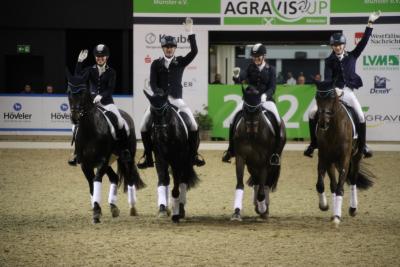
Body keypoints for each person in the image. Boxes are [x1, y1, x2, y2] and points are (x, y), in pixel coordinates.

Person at [304, 11, 381, 159]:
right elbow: (327, 78)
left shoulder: (352, 55)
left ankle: (363, 145)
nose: (337, 47)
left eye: (339, 45)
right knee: (312, 112)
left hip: (348, 92)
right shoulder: (328, 61)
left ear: (344, 45)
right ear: (332, 46)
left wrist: (370, 23)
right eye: (335, 45)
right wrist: (334, 89)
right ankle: (313, 144)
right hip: (333, 91)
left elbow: (364, 41)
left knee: (360, 115)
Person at [137, 17, 205, 169]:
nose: (169, 49)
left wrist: (190, 33)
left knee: (193, 125)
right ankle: (147, 156)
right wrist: (158, 93)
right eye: (166, 47)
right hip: (159, 102)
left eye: (171, 47)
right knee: (143, 126)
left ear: (175, 48)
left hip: (176, 100)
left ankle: (194, 154)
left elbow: (194, 51)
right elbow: (153, 83)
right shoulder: (156, 63)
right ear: (163, 48)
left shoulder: (180, 61)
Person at [68, 44, 131, 165]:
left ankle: (124, 150)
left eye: (102, 56)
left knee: (120, 122)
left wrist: (101, 95)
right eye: (97, 56)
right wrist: (79, 62)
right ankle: (77, 152)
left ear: (106, 57)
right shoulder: (89, 70)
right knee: (76, 124)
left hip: (107, 103)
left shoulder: (112, 72)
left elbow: (111, 88)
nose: (99, 58)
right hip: (91, 104)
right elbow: (77, 77)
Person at [222, 43, 284, 165]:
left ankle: (276, 153)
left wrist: (265, 95)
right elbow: (241, 77)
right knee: (232, 118)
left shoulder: (271, 69)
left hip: (266, 100)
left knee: (277, 120)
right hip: (250, 99)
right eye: (254, 57)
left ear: (264, 56)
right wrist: (236, 76)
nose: (256, 59)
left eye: (258, 56)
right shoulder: (250, 67)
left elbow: (272, 87)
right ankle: (230, 150)